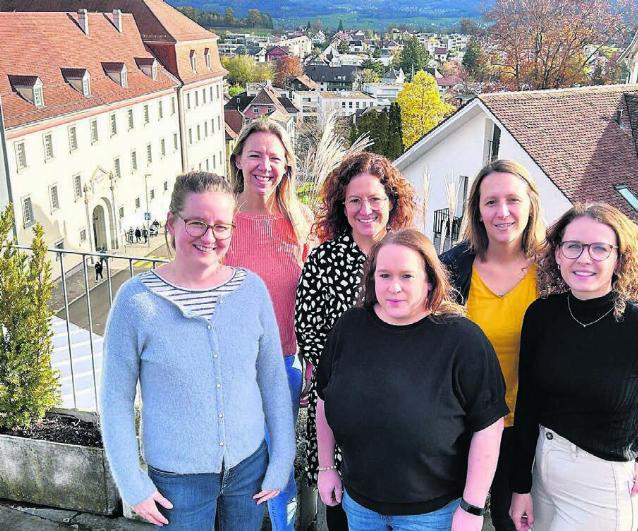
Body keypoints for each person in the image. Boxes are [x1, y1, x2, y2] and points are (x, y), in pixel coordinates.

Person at [100, 171, 295, 530]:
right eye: (196, 223)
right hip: (177, 480)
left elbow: (272, 382)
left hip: (249, 472)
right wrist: (131, 481)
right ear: (172, 224)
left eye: (222, 226)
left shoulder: (251, 290)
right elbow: (115, 399)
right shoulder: (136, 301)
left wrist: (281, 459)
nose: (210, 236)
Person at [509, 203, 638, 531]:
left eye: (600, 248)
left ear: (619, 259)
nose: (584, 258)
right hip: (543, 473)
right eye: (573, 246)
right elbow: (527, 401)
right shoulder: (542, 314)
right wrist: (521, 486)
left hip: (601, 488)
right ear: (558, 255)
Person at [316, 229, 508, 530]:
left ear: (429, 280)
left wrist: (472, 507)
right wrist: (326, 466)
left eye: (407, 276)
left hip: (433, 514)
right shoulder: (349, 328)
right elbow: (324, 397)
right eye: (384, 276)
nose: (394, 287)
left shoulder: (463, 340)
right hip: (359, 506)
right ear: (371, 279)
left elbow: (488, 425)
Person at [294, 152, 415, 530]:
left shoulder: (409, 256)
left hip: (400, 401)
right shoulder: (324, 260)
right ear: (341, 206)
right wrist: (348, 374)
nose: (366, 209)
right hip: (339, 401)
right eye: (355, 200)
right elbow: (308, 328)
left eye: (375, 199)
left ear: (391, 203)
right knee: (341, 509)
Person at [441, 159, 545, 531]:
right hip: (456, 425)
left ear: (531, 204)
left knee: (511, 521)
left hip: (524, 427)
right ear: (477, 211)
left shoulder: (552, 273)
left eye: (513, 200)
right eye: (491, 202)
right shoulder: (452, 268)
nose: (502, 212)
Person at [225, 119, 313, 531]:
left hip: (283, 364)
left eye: (274, 157)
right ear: (238, 159)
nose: (264, 165)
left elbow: (313, 301)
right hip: (229, 369)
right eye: (255, 154)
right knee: (236, 466)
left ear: (286, 166)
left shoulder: (301, 221)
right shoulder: (220, 221)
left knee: (280, 467)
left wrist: (311, 363)